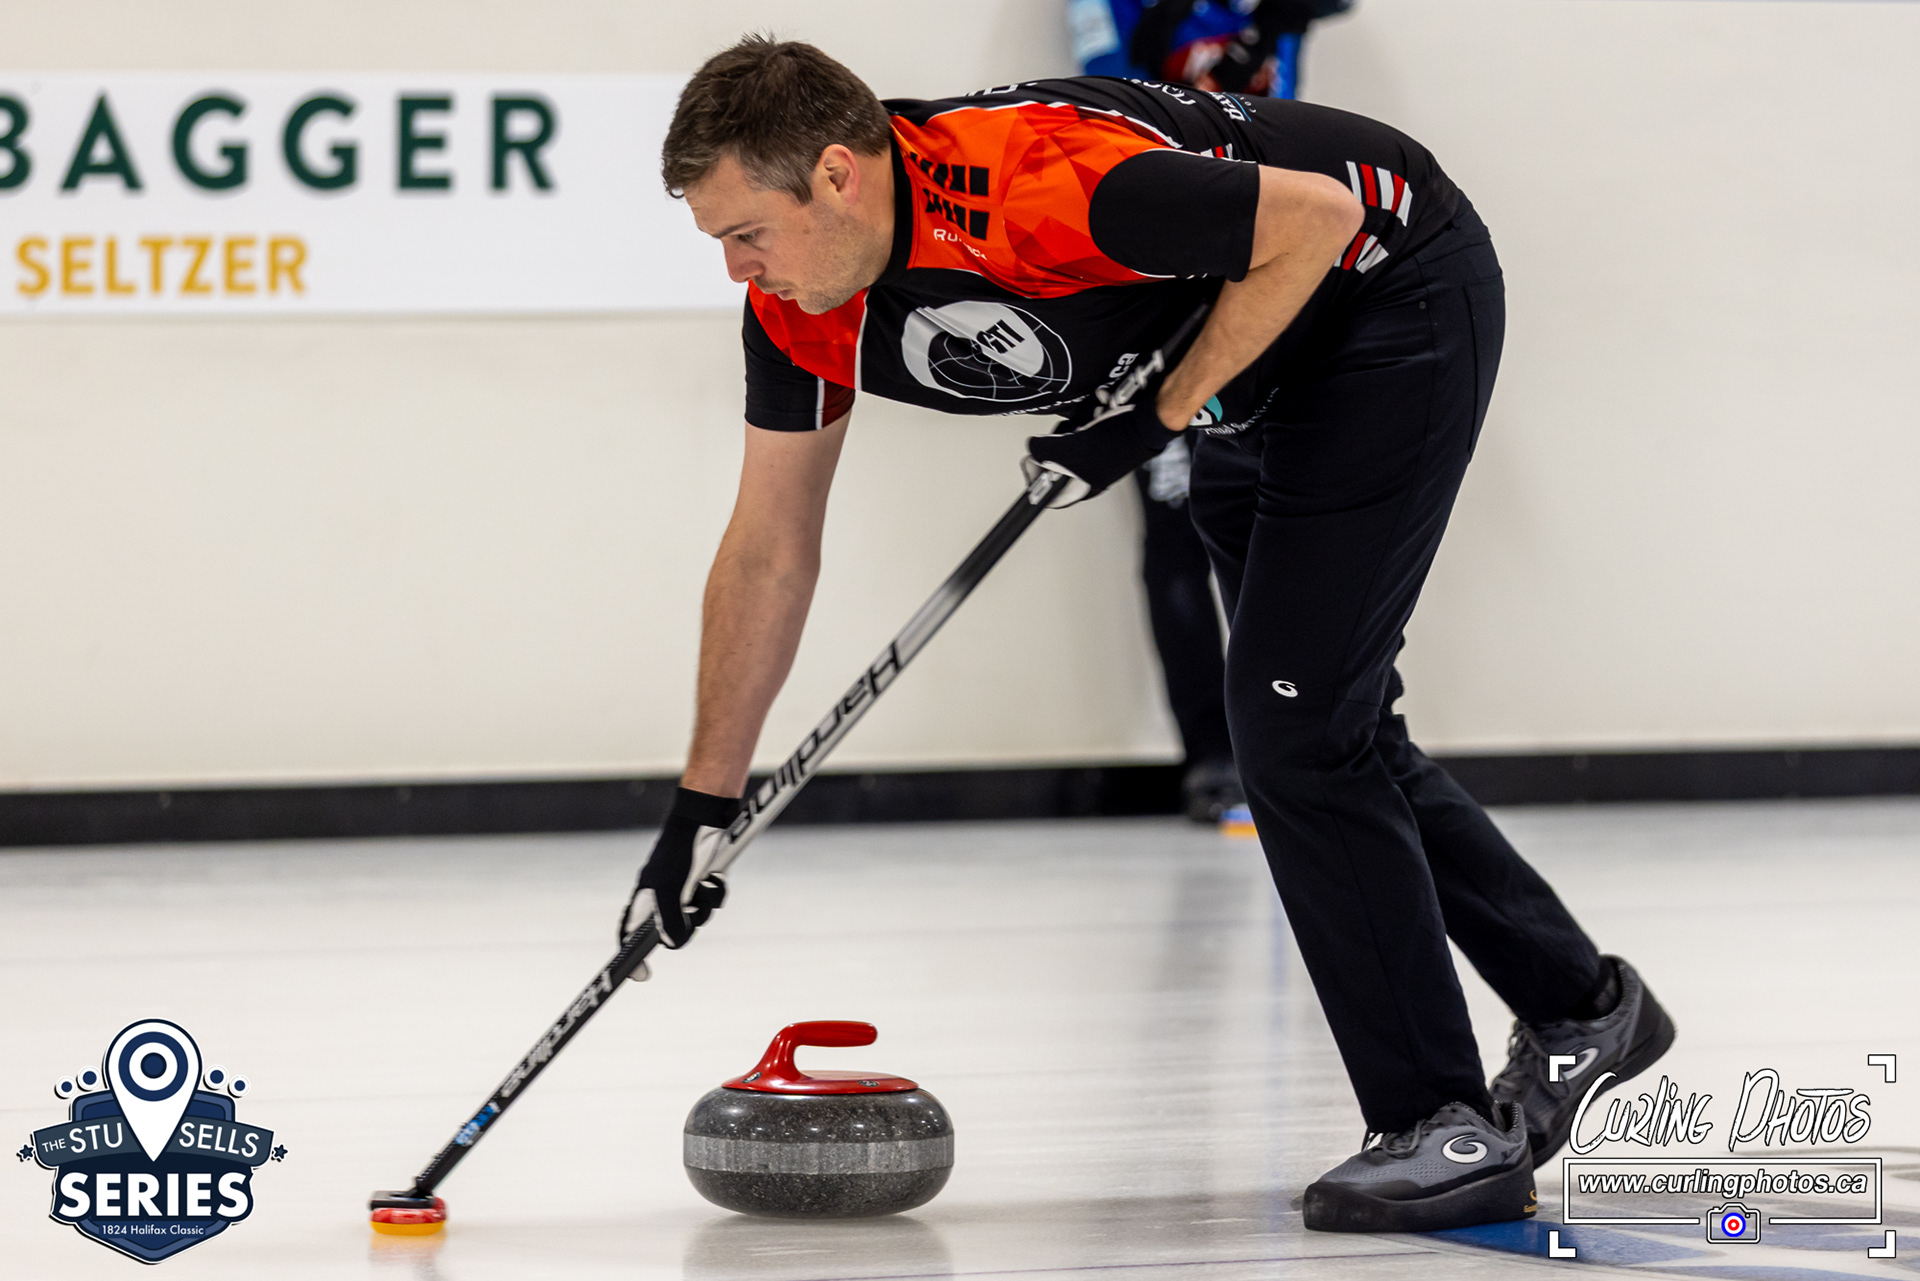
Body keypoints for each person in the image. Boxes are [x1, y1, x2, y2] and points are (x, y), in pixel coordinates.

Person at [624, 37, 1675, 1233]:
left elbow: (1321, 220)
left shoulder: (1036, 183)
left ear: (835, 175)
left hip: (1386, 291)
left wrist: (1151, 420)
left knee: (1295, 730)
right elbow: (769, 548)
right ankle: (1585, 1008)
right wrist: (703, 806)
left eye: (744, 232)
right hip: (1247, 361)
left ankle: (1444, 1126)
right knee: (1322, 725)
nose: (736, 269)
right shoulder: (797, 310)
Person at [1071, 0, 1355, 823]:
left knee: (1284, 523)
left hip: (1270, 271)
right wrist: (1251, 42)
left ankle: (1293, 748)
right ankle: (1210, 756)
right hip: (1155, 291)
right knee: (1177, 531)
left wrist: (1272, 25)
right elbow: (1122, 118)